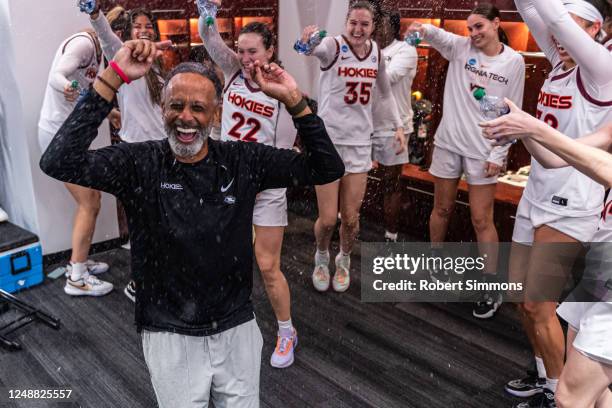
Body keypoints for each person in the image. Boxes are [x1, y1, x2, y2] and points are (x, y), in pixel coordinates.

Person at [40, 39, 344, 408]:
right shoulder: (140, 163)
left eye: (198, 108)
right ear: (163, 109)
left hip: (236, 330)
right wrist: (112, 77)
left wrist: (294, 99)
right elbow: (58, 161)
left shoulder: (241, 161)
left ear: (216, 115)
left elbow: (327, 167)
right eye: (176, 106)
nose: (186, 117)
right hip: (170, 335)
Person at [503, 0, 612, 405]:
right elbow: (532, 7)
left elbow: (551, 17)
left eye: (575, 27)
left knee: (538, 303)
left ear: (597, 29)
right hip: (537, 190)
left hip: (574, 201)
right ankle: (546, 373)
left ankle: (559, 392)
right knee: (519, 295)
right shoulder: (560, 61)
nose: (562, 38)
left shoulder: (601, 70)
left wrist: (559, 19)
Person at [481, 101, 612, 408]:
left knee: (569, 398)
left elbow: (602, 167)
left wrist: (533, 127)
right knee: (599, 393)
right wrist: (524, 130)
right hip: (601, 268)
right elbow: (556, 157)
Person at [407, 3, 525, 319]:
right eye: (470, 27)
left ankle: (490, 285)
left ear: (496, 24)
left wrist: (499, 154)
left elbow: (513, 111)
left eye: (479, 27)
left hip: (483, 149)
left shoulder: (514, 61)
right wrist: (421, 28)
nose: (473, 33)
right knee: (441, 209)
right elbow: (435, 34)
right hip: (448, 144)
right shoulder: (460, 48)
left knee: (481, 219)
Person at [199, 0, 300, 368]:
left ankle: (286, 332)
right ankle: (225, 325)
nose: (243, 57)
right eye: (240, 50)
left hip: (266, 189)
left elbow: (286, 149)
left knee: (268, 265)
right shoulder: (233, 71)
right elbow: (210, 40)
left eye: (252, 51)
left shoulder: (283, 88)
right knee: (222, 257)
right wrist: (207, 12)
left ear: (270, 50)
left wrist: (258, 182)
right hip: (227, 182)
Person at [300, 1, 403, 293]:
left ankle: (343, 259)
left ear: (373, 27)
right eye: (353, 23)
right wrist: (309, 43)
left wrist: (397, 125)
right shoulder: (334, 46)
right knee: (328, 219)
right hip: (328, 143)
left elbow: (384, 93)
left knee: (352, 218)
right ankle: (322, 256)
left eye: (365, 24)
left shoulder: (376, 55)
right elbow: (316, 51)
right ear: (346, 23)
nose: (358, 29)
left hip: (359, 144)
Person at [89, 5, 167, 302]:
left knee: (157, 218)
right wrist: (95, 14)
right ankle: (138, 283)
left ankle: (156, 274)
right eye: (139, 27)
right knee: (143, 220)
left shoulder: (157, 66)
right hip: (136, 153)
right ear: (129, 32)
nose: (145, 30)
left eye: (149, 26)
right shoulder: (124, 54)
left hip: (161, 149)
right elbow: (106, 37)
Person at [38, 29, 113, 296]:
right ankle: (77, 277)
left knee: (93, 199)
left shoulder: (99, 49)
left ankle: (78, 262)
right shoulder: (84, 44)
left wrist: (109, 113)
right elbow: (59, 75)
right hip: (58, 137)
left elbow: (91, 92)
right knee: (90, 202)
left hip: (70, 135)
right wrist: (71, 87)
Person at [372, 10, 417, 242]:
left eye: (384, 25)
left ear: (395, 28)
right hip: (366, 124)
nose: (379, 29)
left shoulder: (406, 50)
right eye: (376, 24)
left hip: (394, 127)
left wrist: (358, 69)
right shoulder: (368, 49)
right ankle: (347, 220)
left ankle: (391, 234)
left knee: (391, 181)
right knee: (353, 175)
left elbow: (386, 80)